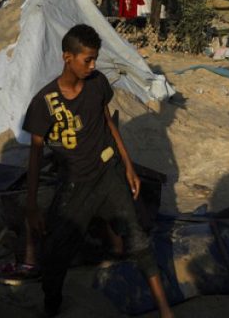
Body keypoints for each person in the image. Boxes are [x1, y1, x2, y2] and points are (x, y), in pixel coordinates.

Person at [24, 24, 173, 317]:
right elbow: (36, 153)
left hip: (108, 176)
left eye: (95, 59)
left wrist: (128, 167)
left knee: (139, 243)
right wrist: (31, 205)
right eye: (87, 60)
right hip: (75, 186)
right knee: (54, 256)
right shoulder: (45, 102)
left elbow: (109, 125)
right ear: (67, 56)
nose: (92, 66)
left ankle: (166, 311)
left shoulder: (97, 84)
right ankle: (51, 307)